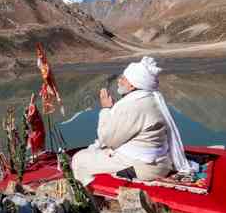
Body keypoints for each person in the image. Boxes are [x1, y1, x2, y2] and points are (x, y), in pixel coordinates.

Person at [71, 56, 194, 186]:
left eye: (123, 78)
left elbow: (108, 139)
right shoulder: (151, 98)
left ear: (133, 84)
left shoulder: (133, 104)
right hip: (161, 163)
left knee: (79, 159)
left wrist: (106, 109)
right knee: (98, 152)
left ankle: (89, 196)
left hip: (144, 167)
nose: (119, 80)